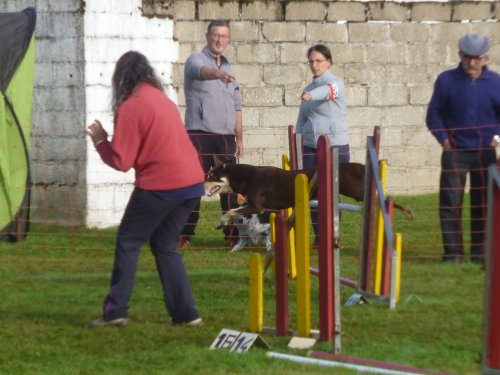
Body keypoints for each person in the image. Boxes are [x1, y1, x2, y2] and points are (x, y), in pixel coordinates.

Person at [85, 51, 205, 327]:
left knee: (128, 242)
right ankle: (187, 315)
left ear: (121, 79)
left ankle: (115, 312)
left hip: (160, 185)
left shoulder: (131, 106)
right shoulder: (162, 99)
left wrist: (102, 142)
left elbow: (122, 161)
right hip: (191, 185)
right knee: (165, 246)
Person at [426, 34, 500, 264]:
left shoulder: (496, 82)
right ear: (460, 55)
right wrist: (444, 140)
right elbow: (433, 114)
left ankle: (480, 253)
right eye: (467, 57)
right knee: (450, 202)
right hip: (454, 152)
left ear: (486, 57)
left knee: (483, 203)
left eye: (477, 58)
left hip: (485, 153)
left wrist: (497, 137)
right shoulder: (446, 80)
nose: (472, 63)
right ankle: (453, 254)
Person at [178, 19, 243, 249]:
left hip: (226, 137)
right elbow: (200, 72)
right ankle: (183, 235)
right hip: (200, 134)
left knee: (229, 187)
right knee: (194, 184)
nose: (219, 40)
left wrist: (240, 138)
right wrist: (217, 74)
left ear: (228, 39)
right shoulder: (195, 60)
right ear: (208, 36)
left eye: (224, 36)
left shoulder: (230, 68)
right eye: (216, 35)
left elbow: (237, 106)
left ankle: (233, 235)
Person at [295, 44, 350, 241]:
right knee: (312, 192)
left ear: (329, 62)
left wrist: (311, 96)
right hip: (310, 146)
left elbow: (327, 91)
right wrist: (297, 138)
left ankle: (333, 234)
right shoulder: (308, 88)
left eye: (319, 61)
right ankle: (320, 236)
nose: (314, 65)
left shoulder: (336, 83)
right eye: (311, 61)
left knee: (333, 190)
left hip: (335, 145)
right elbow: (301, 118)